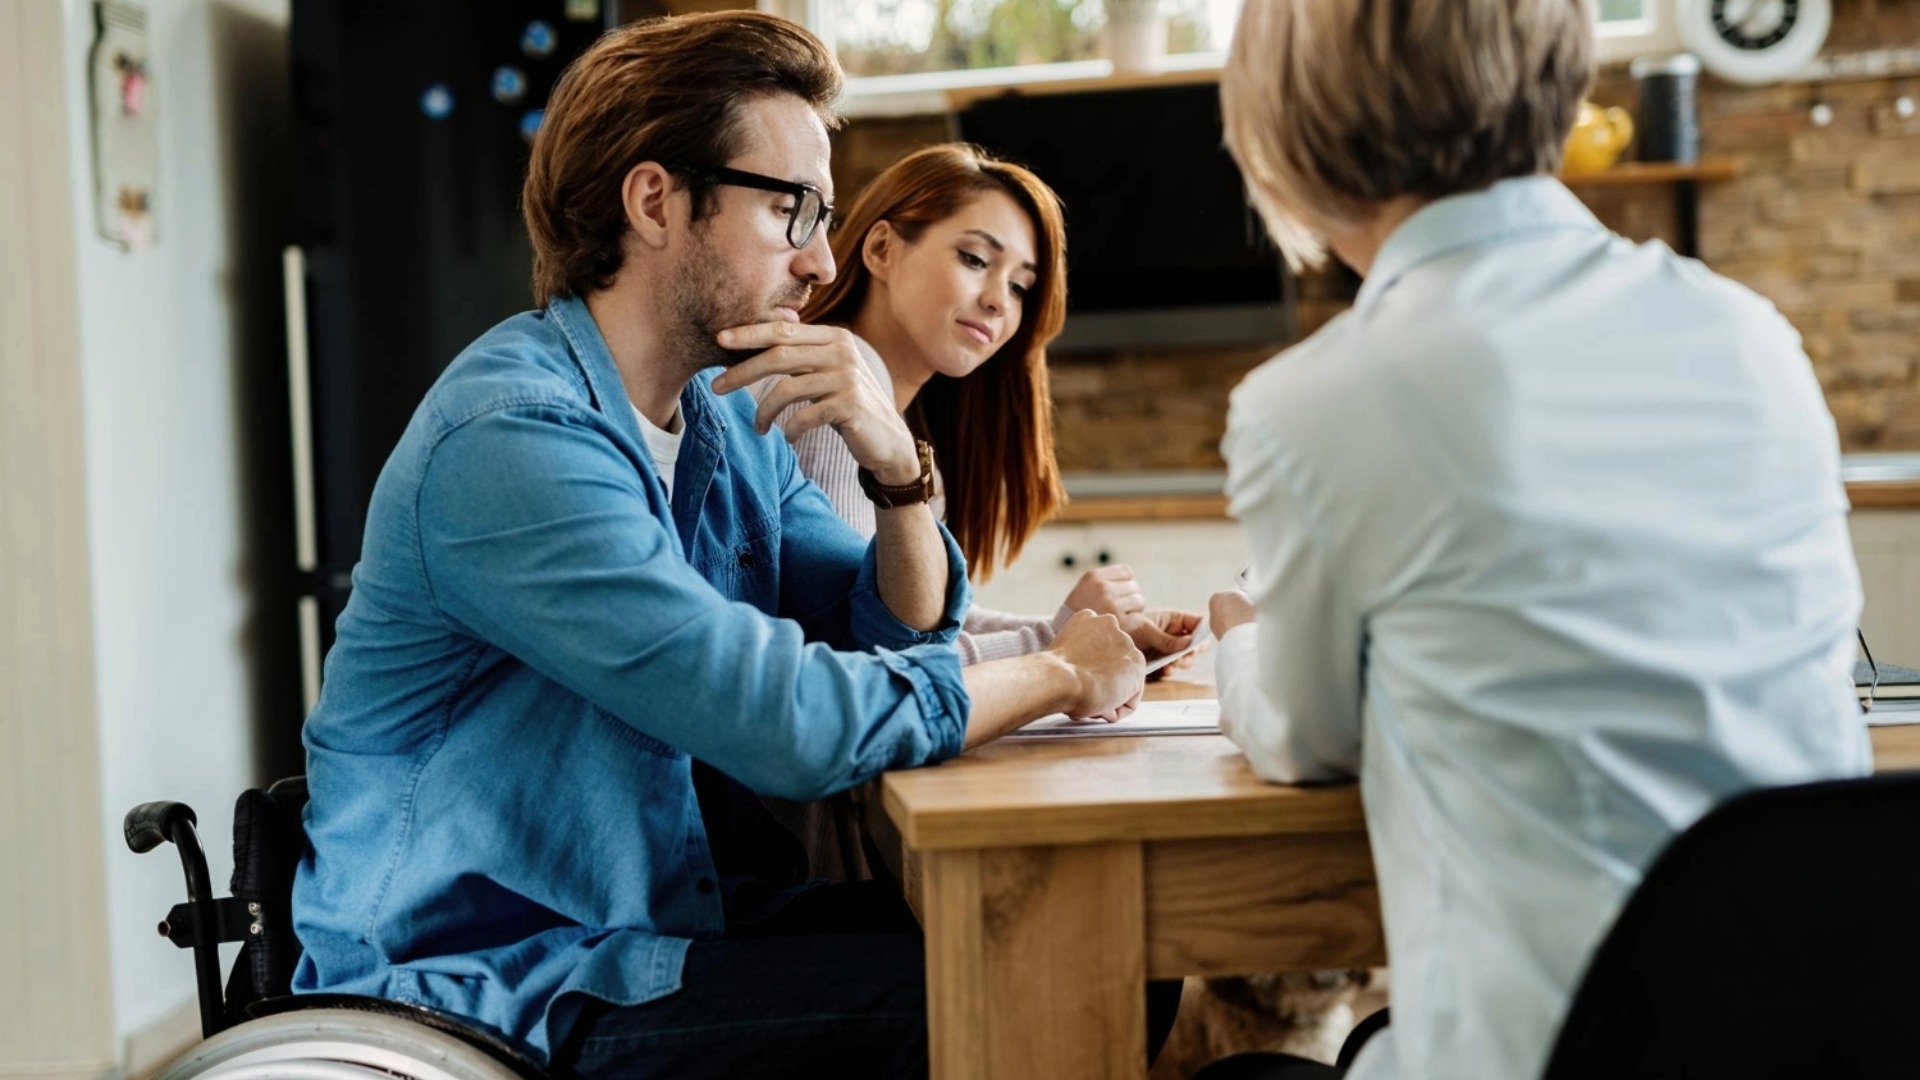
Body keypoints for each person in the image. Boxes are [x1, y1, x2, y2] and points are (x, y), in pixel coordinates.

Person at [290, 14, 1150, 1080]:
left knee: (1056, 952)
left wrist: (894, 467)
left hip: (663, 919)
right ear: (656, 201)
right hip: (494, 982)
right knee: (1010, 998)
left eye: (823, 215)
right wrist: (1061, 671)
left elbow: (882, 625)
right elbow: (793, 722)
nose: (823, 258)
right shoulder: (510, 439)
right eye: (791, 209)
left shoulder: (726, 418)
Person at [1196, 1, 1871, 1078]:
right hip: (1831, 1031)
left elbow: (1306, 737)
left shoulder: (1316, 401)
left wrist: (1238, 637)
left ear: (1292, 126)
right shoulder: (1752, 334)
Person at [750, 143, 1203, 880]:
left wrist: (1078, 637)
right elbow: (878, 664)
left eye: (1021, 285)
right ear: (882, 247)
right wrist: (1057, 650)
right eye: (975, 259)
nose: (1000, 301)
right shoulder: (833, 393)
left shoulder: (902, 432)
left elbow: (919, 626)